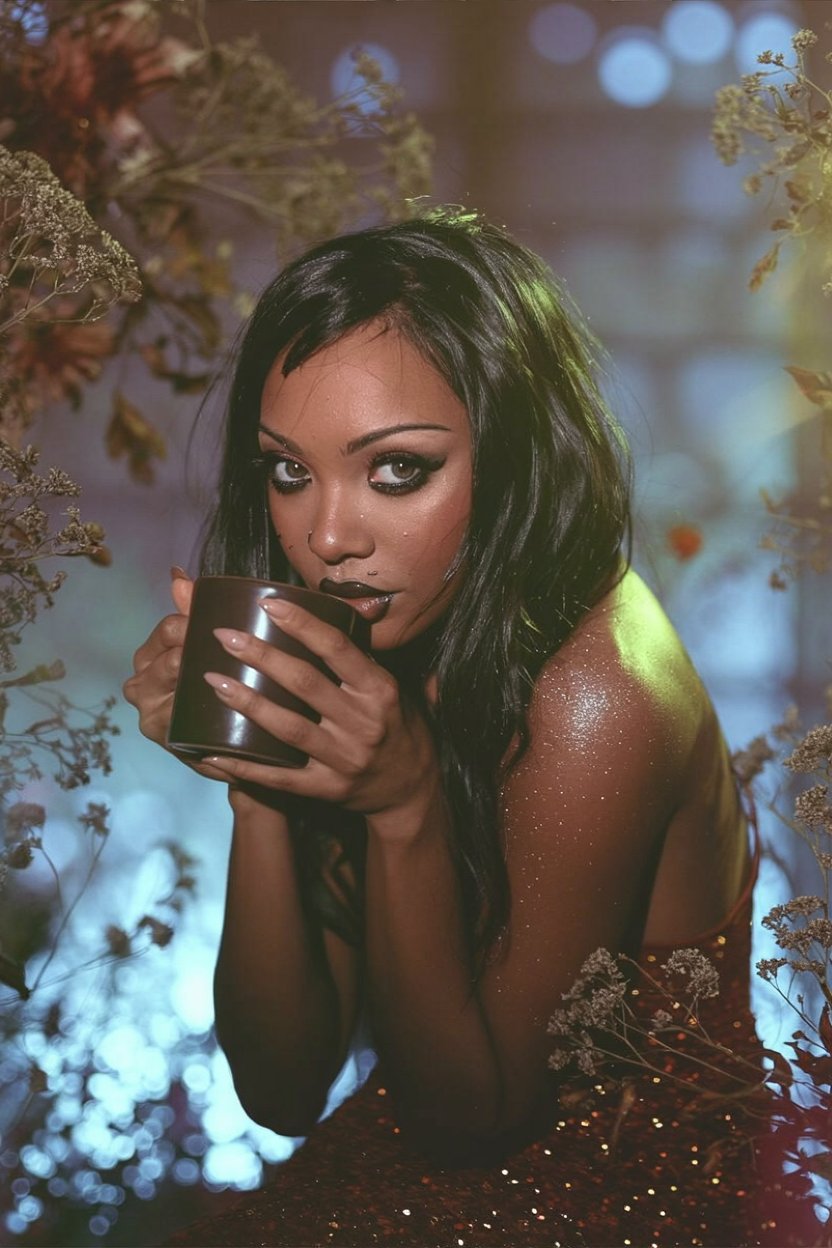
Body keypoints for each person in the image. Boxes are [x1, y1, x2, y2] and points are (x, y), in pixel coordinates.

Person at [124, 209, 778, 1247]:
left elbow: (472, 1124)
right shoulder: (386, 645)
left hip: (605, 1210)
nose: (327, 537)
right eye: (290, 471)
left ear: (514, 453)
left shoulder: (596, 693)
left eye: (396, 471)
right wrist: (256, 784)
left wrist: (401, 805)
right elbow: (284, 1088)